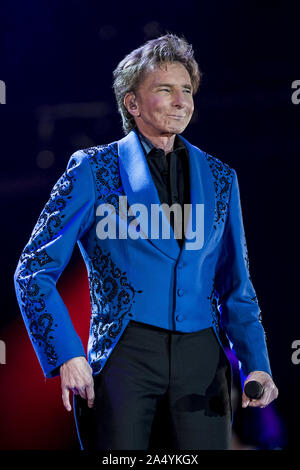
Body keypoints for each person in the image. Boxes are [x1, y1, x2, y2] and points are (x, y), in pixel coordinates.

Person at [14, 33, 278, 450]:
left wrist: (257, 366)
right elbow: (33, 270)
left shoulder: (222, 177)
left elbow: (237, 286)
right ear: (132, 104)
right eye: (165, 90)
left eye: (187, 90)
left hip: (202, 364)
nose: (181, 101)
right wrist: (66, 354)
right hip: (124, 360)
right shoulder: (93, 169)